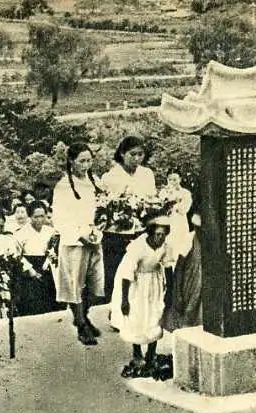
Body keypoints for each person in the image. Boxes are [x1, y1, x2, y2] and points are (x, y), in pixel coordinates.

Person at [52, 141, 104, 346]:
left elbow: (102, 208)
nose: (86, 165)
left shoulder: (95, 181)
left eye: (89, 160)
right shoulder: (63, 186)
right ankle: (82, 324)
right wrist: (80, 236)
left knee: (95, 284)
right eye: (82, 161)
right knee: (75, 284)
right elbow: (59, 218)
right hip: (74, 241)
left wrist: (98, 229)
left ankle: (83, 315)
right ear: (71, 162)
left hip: (94, 238)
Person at [100, 134, 157, 303]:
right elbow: (104, 205)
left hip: (141, 230)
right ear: (122, 154)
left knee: (140, 272)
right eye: (133, 154)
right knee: (116, 272)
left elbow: (152, 200)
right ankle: (114, 308)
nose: (137, 158)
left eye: (140, 154)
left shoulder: (147, 174)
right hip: (116, 233)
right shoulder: (110, 176)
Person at [116, 216, 175, 378]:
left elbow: (168, 268)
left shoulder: (165, 247)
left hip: (154, 282)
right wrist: (124, 299)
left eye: (163, 234)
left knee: (155, 315)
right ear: (150, 233)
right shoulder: (138, 246)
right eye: (158, 234)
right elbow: (126, 273)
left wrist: (170, 291)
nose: (161, 238)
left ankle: (151, 353)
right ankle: (137, 353)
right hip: (137, 284)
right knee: (137, 317)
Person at [15, 200, 62, 315]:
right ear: (30, 216)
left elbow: (55, 250)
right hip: (29, 270)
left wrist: (53, 257)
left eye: (42, 216)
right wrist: (30, 270)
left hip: (46, 268)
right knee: (31, 306)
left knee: (50, 304)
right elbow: (17, 255)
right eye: (36, 217)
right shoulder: (20, 233)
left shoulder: (51, 232)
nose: (39, 220)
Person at [163, 212, 202, 331]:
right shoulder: (189, 239)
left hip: (203, 285)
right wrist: (177, 292)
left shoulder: (211, 240)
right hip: (189, 283)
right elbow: (179, 267)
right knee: (186, 314)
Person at [159, 170, 192, 258]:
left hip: (180, 223)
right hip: (166, 223)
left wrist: (173, 203)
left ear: (180, 179)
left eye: (175, 180)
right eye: (170, 180)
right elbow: (161, 207)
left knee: (180, 250)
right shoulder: (163, 192)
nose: (172, 182)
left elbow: (184, 210)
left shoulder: (186, 193)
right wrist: (169, 196)